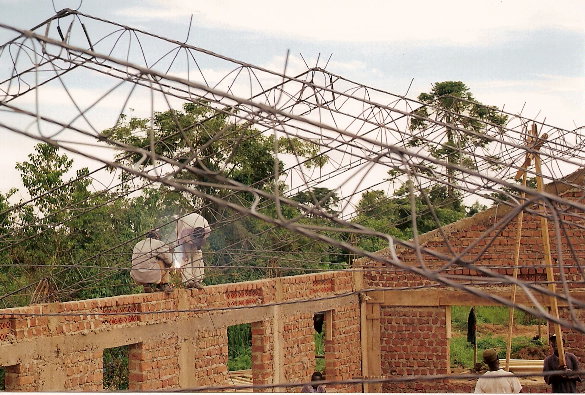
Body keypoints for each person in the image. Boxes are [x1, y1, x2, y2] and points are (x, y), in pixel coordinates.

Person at [131, 229, 174, 294]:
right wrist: (170, 252)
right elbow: (170, 261)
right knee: (164, 260)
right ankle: (164, 284)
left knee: (148, 260)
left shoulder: (138, 244)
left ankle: (146, 285)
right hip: (151, 275)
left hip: (136, 276)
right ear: (157, 237)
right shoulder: (158, 243)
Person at [175, 212, 210, 289]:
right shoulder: (184, 230)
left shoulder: (206, 228)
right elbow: (180, 240)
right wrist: (184, 254)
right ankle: (188, 281)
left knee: (198, 257)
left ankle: (197, 280)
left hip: (197, 234)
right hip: (185, 242)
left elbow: (202, 240)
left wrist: (198, 245)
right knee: (187, 259)